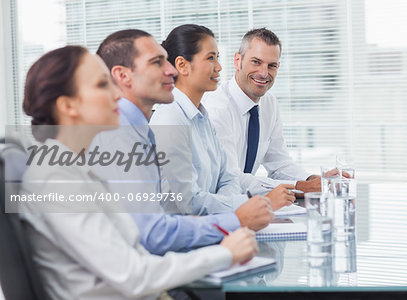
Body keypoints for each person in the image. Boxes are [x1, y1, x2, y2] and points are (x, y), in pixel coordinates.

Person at [19, 45, 258, 299]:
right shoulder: (57, 179)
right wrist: (223, 254)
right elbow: (132, 275)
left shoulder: (79, 167)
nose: (117, 94)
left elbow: (133, 252)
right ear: (68, 105)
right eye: (102, 85)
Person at [94, 29, 273, 255]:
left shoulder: (150, 128)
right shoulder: (127, 134)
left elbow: (227, 177)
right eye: (157, 62)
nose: (170, 70)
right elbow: (157, 232)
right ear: (123, 76)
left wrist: (231, 214)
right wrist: (235, 217)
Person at [150, 24, 295, 216]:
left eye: (217, 57)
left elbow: (228, 179)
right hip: (180, 238)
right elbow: (190, 202)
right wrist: (260, 203)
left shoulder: (202, 117)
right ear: (182, 65)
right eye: (210, 58)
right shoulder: (169, 120)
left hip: (209, 227)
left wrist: (230, 204)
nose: (219, 67)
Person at [203, 28, 332, 196]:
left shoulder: (269, 104)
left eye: (272, 66)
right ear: (237, 61)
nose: (264, 73)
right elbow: (231, 178)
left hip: (247, 205)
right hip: (217, 207)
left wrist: (314, 180)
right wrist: (302, 187)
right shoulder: (217, 109)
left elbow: (279, 163)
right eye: (256, 62)